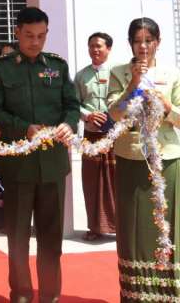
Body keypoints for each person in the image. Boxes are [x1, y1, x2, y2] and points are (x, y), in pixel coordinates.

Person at [0, 7, 80, 303]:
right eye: (29, 36)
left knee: (51, 238)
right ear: (17, 33)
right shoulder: (1, 69)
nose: (35, 42)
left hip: (52, 165)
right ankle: (22, 295)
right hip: (18, 165)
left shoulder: (58, 66)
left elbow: (72, 105)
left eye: (41, 36)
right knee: (17, 237)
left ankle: (50, 296)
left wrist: (69, 124)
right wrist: (23, 128)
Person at [106, 18, 180, 302]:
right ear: (130, 44)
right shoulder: (119, 73)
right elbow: (115, 114)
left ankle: (168, 293)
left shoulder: (172, 73)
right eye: (137, 41)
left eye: (149, 41)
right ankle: (137, 294)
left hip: (167, 158)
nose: (143, 46)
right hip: (131, 157)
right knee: (133, 228)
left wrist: (168, 107)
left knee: (166, 227)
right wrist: (133, 85)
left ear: (158, 42)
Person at [74, 32, 116, 241]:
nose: (95, 50)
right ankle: (95, 227)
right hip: (90, 135)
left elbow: (125, 100)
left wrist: (112, 116)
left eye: (99, 46)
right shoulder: (81, 76)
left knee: (115, 180)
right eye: (91, 46)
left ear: (109, 48)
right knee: (91, 182)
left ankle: (119, 227)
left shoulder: (117, 73)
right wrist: (87, 115)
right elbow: (73, 103)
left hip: (115, 135)